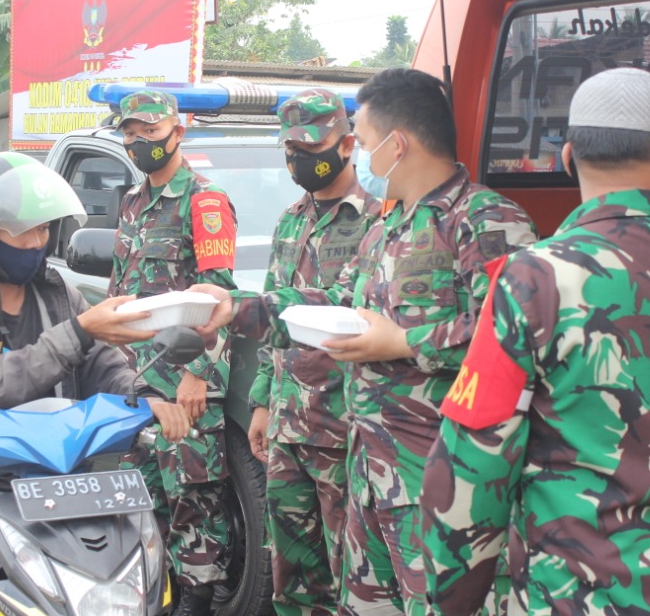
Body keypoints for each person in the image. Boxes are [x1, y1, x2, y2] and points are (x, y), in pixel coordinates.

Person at [419, 68, 650, 615]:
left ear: (566, 158)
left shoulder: (532, 279)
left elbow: (473, 464)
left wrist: (451, 604)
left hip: (563, 598)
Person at [192, 68, 537, 616]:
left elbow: (517, 337)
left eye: (368, 142)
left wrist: (404, 341)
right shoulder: (388, 228)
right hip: (368, 463)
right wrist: (239, 308)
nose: (366, 159)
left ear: (397, 144)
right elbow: (335, 309)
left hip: (442, 475)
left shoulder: (485, 222)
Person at [0, 152, 191, 616]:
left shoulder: (57, 292)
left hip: (53, 486)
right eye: (23, 231)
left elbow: (100, 364)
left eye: (44, 229)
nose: (37, 243)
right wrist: (82, 331)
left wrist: (143, 394)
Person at [247, 88, 382, 616]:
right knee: (293, 576)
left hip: (341, 427)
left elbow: (349, 307)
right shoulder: (290, 220)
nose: (297, 159)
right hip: (287, 427)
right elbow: (273, 323)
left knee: (350, 574)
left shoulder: (376, 221)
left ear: (348, 144)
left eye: (309, 145)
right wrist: (262, 400)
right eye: (289, 149)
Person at [107, 89, 238, 616]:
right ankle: (161, 595)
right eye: (132, 134)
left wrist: (199, 374)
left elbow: (218, 298)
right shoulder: (133, 203)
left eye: (151, 133)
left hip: (183, 376)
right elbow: (121, 291)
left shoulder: (203, 201)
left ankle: (197, 600)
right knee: (145, 495)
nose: (140, 143)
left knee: (193, 497)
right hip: (140, 379)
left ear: (178, 134)